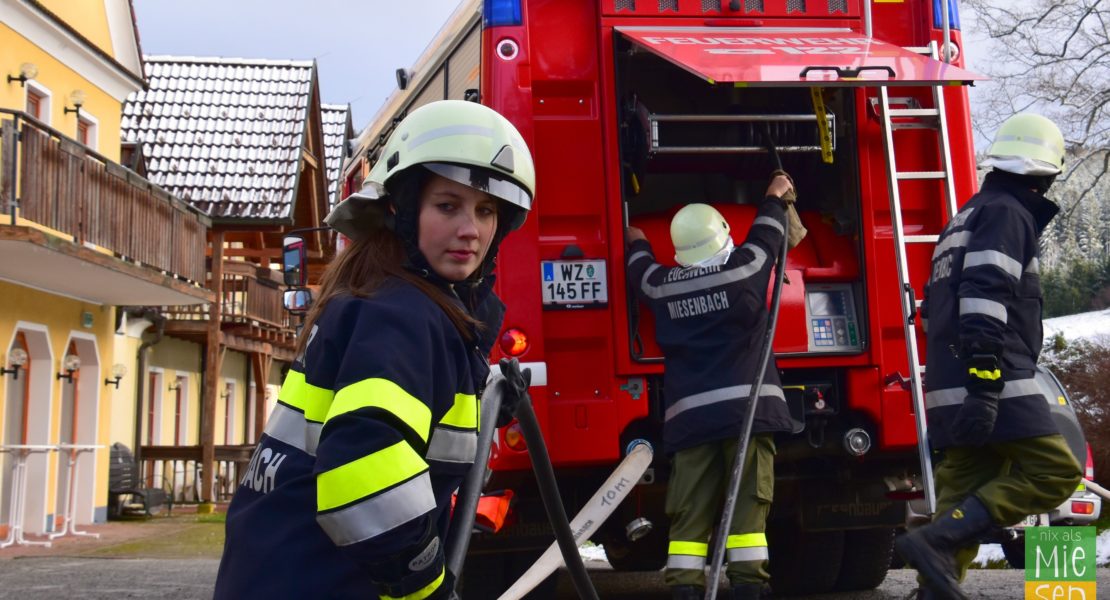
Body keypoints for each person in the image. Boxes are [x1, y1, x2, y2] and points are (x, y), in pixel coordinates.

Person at [213, 100, 535, 600]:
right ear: (401, 211)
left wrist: (479, 395)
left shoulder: (378, 297)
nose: (470, 230)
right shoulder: (402, 315)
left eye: (486, 209)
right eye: (447, 206)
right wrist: (425, 585)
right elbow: (365, 473)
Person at [896, 113, 1083, 599]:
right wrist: (984, 380)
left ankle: (932, 585)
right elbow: (984, 294)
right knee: (1056, 471)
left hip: (949, 381)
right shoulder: (1007, 214)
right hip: (994, 381)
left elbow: (943, 310)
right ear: (1045, 173)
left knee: (960, 490)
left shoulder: (966, 216)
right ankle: (936, 541)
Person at [625, 172, 800, 600]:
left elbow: (639, 268)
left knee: (689, 516)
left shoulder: (661, 287)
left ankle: (685, 588)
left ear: (681, 252)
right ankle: (748, 588)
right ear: (723, 236)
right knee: (747, 514)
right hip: (748, 416)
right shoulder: (744, 272)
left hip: (692, 424)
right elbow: (766, 237)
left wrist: (634, 237)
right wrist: (775, 193)